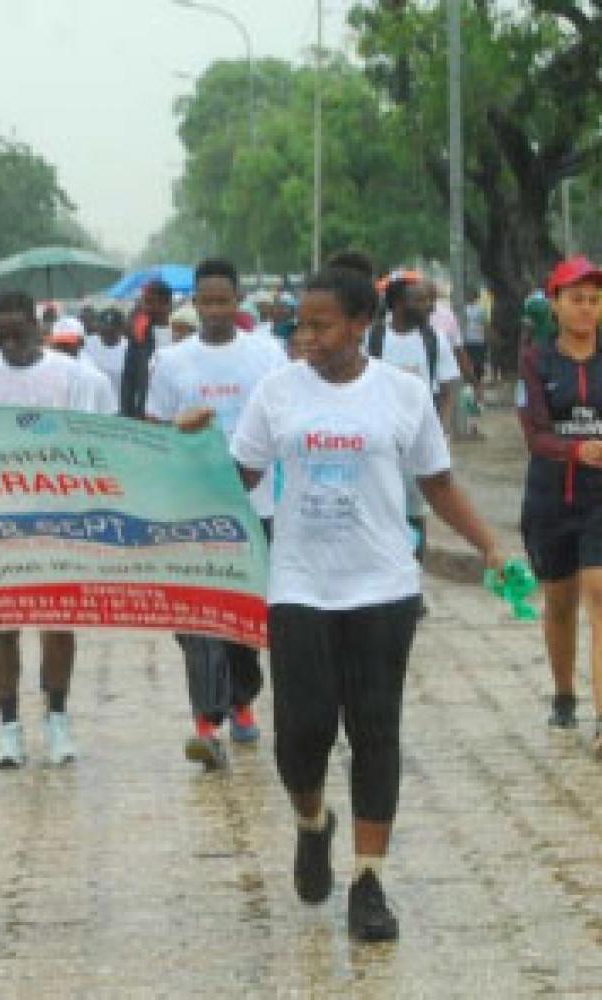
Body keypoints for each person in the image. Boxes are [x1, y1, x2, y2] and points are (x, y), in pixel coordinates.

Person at [224, 251, 502, 942]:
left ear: (360, 323)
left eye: (322, 326)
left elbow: (437, 483)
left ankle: (369, 881)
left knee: (375, 730)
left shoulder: (402, 394)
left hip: (383, 585)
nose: (307, 338)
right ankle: (312, 824)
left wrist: (490, 547)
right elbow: (240, 472)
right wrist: (187, 453)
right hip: (298, 586)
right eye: (301, 326)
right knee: (303, 733)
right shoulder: (278, 393)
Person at [0, 291, 113, 769]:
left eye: (16, 332)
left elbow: (104, 443)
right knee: (4, 626)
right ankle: (8, 728)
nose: (7, 342)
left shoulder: (76, 378)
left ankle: (58, 717)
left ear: (35, 325)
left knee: (58, 621)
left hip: (60, 519)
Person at [147, 258, 288, 770]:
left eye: (222, 301)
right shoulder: (171, 362)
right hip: (190, 509)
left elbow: (284, 420)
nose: (213, 311)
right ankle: (206, 724)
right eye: (204, 302)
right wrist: (181, 432)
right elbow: (154, 431)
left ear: (238, 301)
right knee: (197, 620)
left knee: (244, 617)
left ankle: (243, 699)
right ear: (195, 305)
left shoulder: (267, 355)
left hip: (255, 506)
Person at [517, 255, 602, 757]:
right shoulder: (536, 360)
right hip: (551, 496)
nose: (587, 310)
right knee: (562, 603)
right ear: (555, 304)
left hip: (600, 498)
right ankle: (565, 692)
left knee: (600, 594)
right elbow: (535, 433)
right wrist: (576, 448)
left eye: (594, 301)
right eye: (576, 300)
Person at [369, 272, 460, 564]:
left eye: (430, 300)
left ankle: (414, 569)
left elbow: (448, 388)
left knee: (415, 511)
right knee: (378, 506)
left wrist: (442, 430)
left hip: (418, 442)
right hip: (378, 441)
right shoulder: (374, 338)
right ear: (397, 303)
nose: (429, 306)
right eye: (420, 300)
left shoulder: (434, 341)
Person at [121, 280, 172, 418]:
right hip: (144, 413)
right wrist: (127, 415)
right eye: (144, 302)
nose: (144, 307)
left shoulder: (180, 334)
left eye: (149, 302)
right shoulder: (139, 337)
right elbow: (128, 380)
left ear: (166, 304)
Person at [46, 317, 118, 414]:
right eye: (58, 344)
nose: (62, 348)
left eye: (67, 344)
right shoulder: (44, 373)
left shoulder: (96, 377)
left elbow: (110, 413)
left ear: (81, 343)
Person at [83, 306, 128, 401]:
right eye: (104, 330)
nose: (107, 334)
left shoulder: (128, 348)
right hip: (92, 404)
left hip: (119, 405)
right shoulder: (87, 344)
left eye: (112, 331)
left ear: (121, 329)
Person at [463, 288, 490, 408]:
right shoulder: (479, 310)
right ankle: (478, 400)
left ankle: (476, 399)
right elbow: (486, 326)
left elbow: (485, 326)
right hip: (476, 342)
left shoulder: (464, 310)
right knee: (476, 371)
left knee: (472, 370)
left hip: (471, 342)